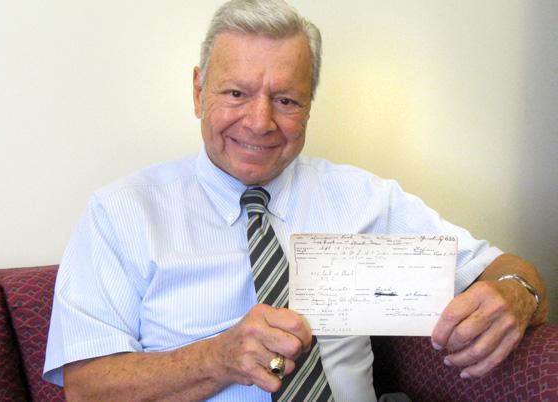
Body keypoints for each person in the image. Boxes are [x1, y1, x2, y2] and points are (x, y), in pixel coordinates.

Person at [43, 0, 548, 401]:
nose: (260, 122)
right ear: (198, 92)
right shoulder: (120, 213)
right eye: (236, 94)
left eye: (286, 100)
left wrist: (516, 294)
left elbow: (506, 269)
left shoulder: (364, 199)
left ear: (309, 105)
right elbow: (88, 387)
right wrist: (219, 358)